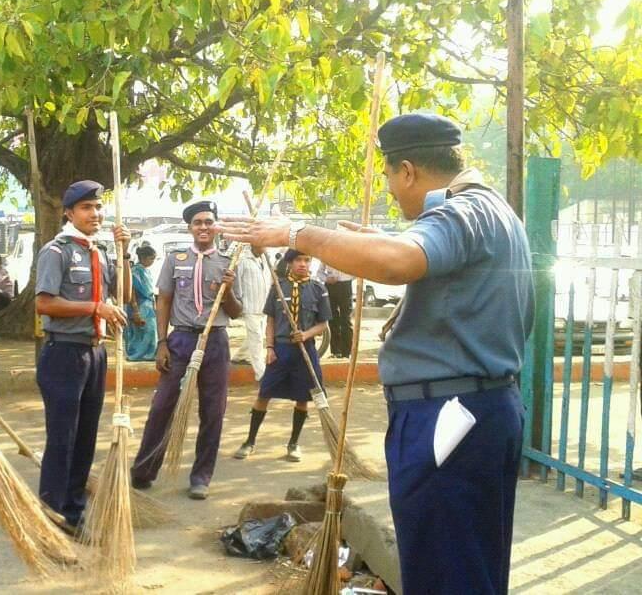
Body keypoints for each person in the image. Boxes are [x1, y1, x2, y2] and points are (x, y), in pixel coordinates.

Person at [217, 113, 533, 595]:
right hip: (480, 408)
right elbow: (426, 264)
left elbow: (396, 263)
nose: (388, 189)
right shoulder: (492, 210)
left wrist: (295, 234)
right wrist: (377, 242)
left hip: (448, 415)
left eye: (388, 176)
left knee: (444, 571)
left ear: (407, 170)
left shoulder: (458, 213)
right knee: (470, 567)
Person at [34, 180, 130, 533]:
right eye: (87, 207)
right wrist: (94, 308)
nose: (96, 214)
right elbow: (44, 303)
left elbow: (124, 295)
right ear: (69, 213)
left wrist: (125, 253)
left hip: (95, 352)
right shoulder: (56, 251)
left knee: (86, 437)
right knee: (63, 438)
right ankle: (51, 513)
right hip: (63, 353)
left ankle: (74, 512)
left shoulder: (101, 251)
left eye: (99, 207)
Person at [130, 200, 242, 500]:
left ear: (216, 227)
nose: (203, 227)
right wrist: (161, 343)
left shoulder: (229, 262)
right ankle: (144, 470)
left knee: (213, 410)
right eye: (198, 223)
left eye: (208, 222)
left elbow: (236, 312)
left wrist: (228, 291)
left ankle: (201, 477)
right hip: (180, 340)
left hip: (215, 341)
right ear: (190, 228)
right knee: (162, 406)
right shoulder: (174, 259)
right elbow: (164, 301)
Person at [233, 250, 330, 462]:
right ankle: (250, 441)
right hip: (280, 350)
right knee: (264, 394)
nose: (303, 264)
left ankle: (293, 444)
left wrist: (306, 334)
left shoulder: (318, 289)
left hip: (305, 351)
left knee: (303, 398)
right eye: (298, 260)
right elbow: (270, 321)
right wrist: (269, 348)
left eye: (307, 260)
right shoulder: (278, 287)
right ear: (290, 263)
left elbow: (323, 324)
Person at [230, 245, 269, 380]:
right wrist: (239, 302)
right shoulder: (243, 260)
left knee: (258, 335)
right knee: (256, 338)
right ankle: (261, 374)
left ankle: (239, 356)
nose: (265, 247)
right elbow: (237, 283)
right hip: (249, 306)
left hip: (263, 305)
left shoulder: (264, 259)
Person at [124, 245, 158, 361]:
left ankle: (149, 354)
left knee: (151, 330)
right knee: (141, 330)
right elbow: (132, 290)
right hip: (139, 305)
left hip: (148, 305)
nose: (153, 261)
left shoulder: (146, 271)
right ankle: (136, 355)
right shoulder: (135, 271)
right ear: (143, 258)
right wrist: (136, 310)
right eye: (151, 258)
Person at [315, 261, 354, 358]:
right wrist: (327, 279)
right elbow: (319, 272)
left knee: (346, 319)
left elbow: (357, 271)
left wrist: (346, 278)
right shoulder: (327, 255)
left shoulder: (349, 255)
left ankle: (347, 352)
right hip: (330, 286)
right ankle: (335, 351)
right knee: (332, 319)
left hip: (345, 285)